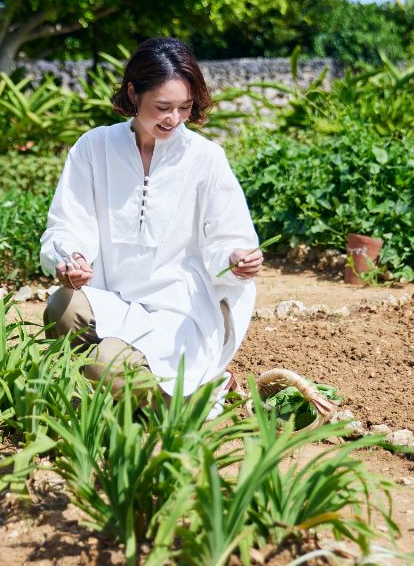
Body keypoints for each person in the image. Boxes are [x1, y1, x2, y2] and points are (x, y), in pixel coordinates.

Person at [39, 37, 263, 399]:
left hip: (178, 314)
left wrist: (236, 259)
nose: (173, 118)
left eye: (185, 107)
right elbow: (68, 223)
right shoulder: (94, 148)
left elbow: (228, 237)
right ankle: (137, 386)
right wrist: (71, 259)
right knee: (62, 307)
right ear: (133, 93)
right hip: (113, 299)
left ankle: (186, 392)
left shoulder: (206, 158)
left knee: (101, 365)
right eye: (162, 106)